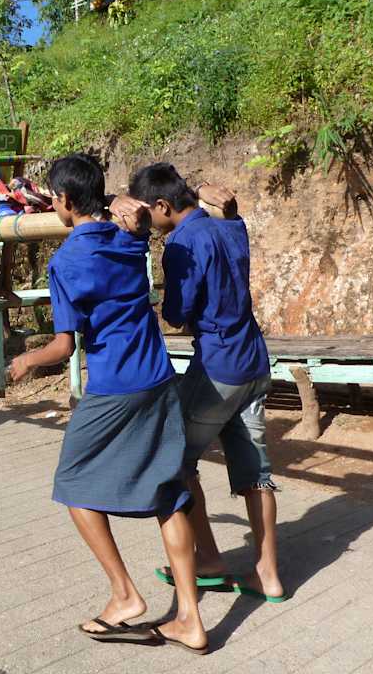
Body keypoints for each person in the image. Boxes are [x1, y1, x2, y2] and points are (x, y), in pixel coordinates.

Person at [9, 154, 208, 654]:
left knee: (73, 485)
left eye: (54, 197)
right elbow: (133, 224)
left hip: (114, 386)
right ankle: (190, 619)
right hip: (158, 377)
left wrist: (26, 362)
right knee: (169, 493)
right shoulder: (129, 237)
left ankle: (124, 595)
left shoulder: (66, 262)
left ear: (66, 202)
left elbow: (63, 346)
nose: (52, 204)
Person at [128, 163, 285, 604]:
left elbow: (177, 314)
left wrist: (161, 307)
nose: (147, 223)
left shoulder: (180, 244)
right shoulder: (230, 225)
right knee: (257, 475)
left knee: (174, 457)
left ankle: (210, 559)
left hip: (218, 366)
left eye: (148, 214)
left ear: (162, 206)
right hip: (255, 361)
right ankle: (267, 574)